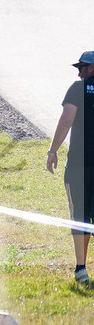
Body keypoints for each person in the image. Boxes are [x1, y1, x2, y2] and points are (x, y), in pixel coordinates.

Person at [48, 52, 94, 285]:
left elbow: (66, 119)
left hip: (78, 164)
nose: (79, 71)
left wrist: (53, 150)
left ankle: (81, 269)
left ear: (92, 68)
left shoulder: (77, 88)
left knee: (80, 216)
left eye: (83, 67)